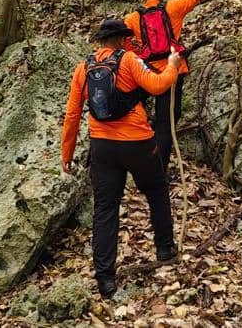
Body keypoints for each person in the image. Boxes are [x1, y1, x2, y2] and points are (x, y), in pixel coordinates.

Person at [60, 18, 183, 298]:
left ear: (101, 40)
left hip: (102, 146)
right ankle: (165, 248)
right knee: (156, 190)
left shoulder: (83, 68)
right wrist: (173, 66)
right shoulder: (128, 60)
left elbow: (72, 114)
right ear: (121, 40)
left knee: (105, 208)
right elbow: (158, 85)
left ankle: (105, 279)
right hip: (137, 142)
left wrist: (67, 153)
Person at [123, 0, 202, 173]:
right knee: (166, 123)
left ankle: (139, 154)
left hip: (147, 73)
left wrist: (139, 53)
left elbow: (124, 41)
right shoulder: (174, 8)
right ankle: (159, 170)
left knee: (142, 112)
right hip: (173, 69)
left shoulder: (132, 19)